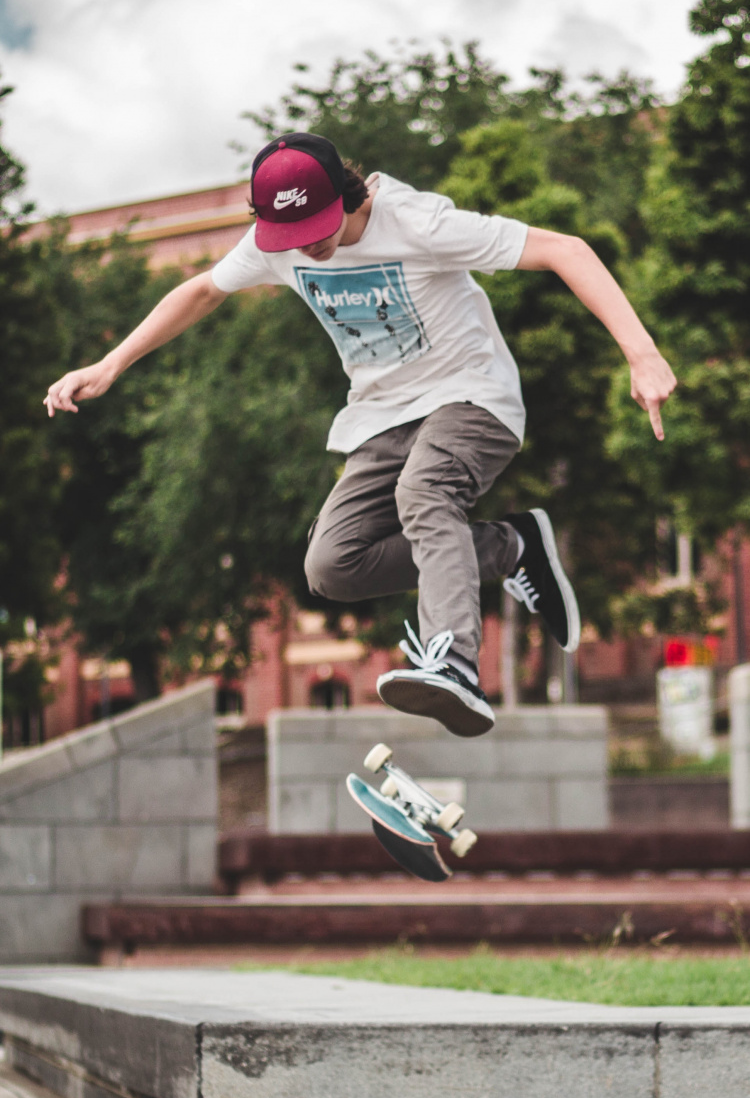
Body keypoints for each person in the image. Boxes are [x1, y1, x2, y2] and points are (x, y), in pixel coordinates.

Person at [45, 131, 676, 737]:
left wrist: (641, 354)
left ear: (348, 197)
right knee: (332, 567)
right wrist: (110, 364)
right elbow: (203, 290)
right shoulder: (276, 244)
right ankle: (512, 548)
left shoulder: (420, 223)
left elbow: (565, 249)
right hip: (382, 416)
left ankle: (453, 662)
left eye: (318, 232)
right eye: (290, 239)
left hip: (472, 396)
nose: (307, 249)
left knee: (425, 494)